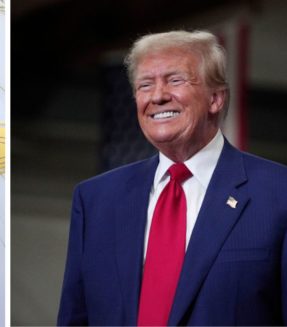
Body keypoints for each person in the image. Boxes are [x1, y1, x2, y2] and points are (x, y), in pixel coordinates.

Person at [58, 30, 287, 326]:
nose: (157, 96)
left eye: (175, 80)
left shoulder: (278, 193)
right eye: (145, 85)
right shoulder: (95, 200)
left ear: (215, 99)